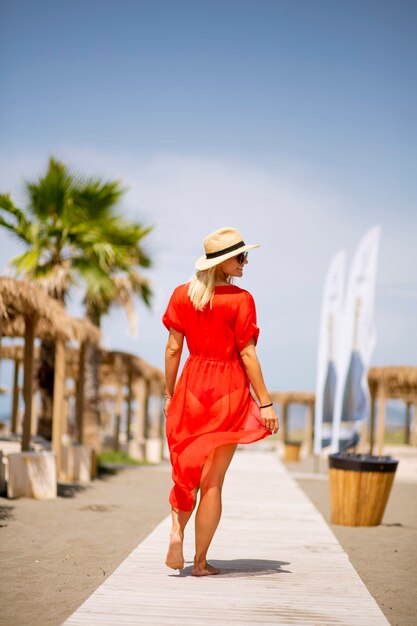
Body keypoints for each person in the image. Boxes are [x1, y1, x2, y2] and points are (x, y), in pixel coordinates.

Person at [162, 226, 279, 576]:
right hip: (228, 390)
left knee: (188, 473)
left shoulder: (182, 295)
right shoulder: (242, 300)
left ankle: (175, 530)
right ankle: (199, 563)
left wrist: (169, 393)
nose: (246, 263)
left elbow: (172, 349)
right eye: (241, 257)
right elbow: (247, 354)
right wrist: (266, 403)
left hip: (193, 386)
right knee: (213, 482)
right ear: (223, 262)